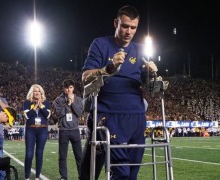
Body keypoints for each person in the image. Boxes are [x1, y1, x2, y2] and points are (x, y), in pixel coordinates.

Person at [80, 5, 158, 179]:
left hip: (137, 116)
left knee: (132, 174)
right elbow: (85, 77)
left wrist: (151, 74)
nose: (129, 31)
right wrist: (109, 68)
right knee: (120, 173)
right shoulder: (100, 44)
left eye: (133, 27)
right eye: (125, 26)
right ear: (116, 23)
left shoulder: (139, 49)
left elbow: (148, 86)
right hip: (109, 113)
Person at [53, 79, 83, 180]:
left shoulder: (78, 99)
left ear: (73, 88)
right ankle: (64, 177)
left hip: (75, 130)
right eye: (66, 88)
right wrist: (68, 104)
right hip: (63, 130)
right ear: (63, 88)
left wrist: (73, 103)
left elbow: (79, 113)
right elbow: (58, 113)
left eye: (70, 87)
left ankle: (82, 175)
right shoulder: (58, 100)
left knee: (79, 156)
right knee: (62, 156)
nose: (68, 90)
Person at [23, 84, 51, 180]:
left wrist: (41, 105)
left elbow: (47, 115)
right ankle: (27, 177)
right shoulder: (27, 102)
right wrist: (35, 106)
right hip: (30, 129)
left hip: (42, 130)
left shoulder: (46, 103)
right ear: (32, 92)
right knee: (29, 154)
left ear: (41, 92)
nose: (36, 93)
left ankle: (37, 177)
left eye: (38, 91)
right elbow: (27, 116)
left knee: (39, 154)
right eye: (35, 91)